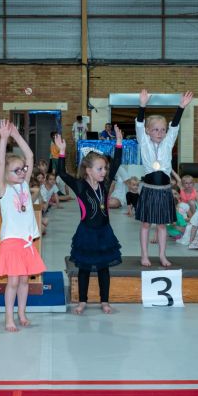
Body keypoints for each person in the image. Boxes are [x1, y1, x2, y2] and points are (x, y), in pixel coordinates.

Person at [57, 126, 123, 315]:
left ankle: (105, 301)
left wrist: (118, 143)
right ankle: (82, 301)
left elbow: (117, 162)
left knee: (103, 268)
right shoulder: (80, 186)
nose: (104, 172)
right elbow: (62, 174)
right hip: (86, 232)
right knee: (84, 268)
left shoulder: (105, 183)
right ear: (88, 170)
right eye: (100, 169)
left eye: (104, 168)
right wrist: (61, 153)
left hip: (104, 232)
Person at [0, 119, 46, 332]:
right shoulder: (3, 190)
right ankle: (9, 318)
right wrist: (4, 139)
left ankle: (22, 313)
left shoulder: (24, 185)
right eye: (16, 171)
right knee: (13, 282)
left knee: (25, 281)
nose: (22, 173)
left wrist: (16, 135)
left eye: (22, 170)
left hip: (26, 243)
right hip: (12, 243)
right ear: (6, 175)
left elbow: (30, 156)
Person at [135, 89, 193, 267]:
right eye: (155, 130)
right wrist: (142, 106)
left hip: (164, 190)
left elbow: (174, 127)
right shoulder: (143, 142)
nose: (160, 133)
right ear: (148, 131)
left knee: (161, 225)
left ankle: (162, 255)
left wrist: (181, 107)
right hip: (149, 189)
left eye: (162, 130)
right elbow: (138, 123)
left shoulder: (168, 142)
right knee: (146, 224)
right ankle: (144, 255)